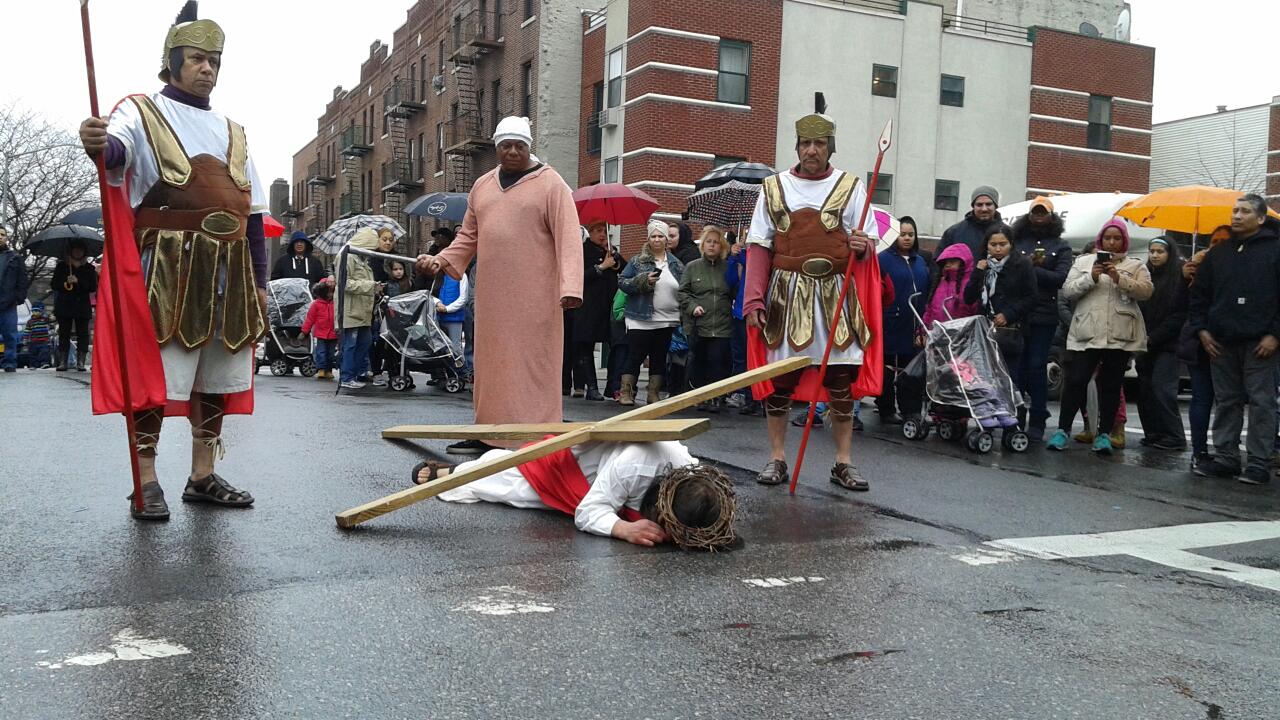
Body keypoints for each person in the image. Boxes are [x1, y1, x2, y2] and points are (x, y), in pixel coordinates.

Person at [78, 3, 268, 519]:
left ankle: (202, 475)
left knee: (217, 375)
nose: (208, 68)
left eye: (215, 61)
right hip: (167, 267)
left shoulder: (235, 129)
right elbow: (116, 155)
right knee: (160, 376)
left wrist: (261, 280)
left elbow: (252, 214)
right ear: (173, 61)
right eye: (198, 59)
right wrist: (100, 145)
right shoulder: (139, 112)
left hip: (230, 269)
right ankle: (146, 480)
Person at [415, 116, 583, 455]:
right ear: (496, 148)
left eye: (519, 145)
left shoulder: (551, 184)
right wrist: (442, 260)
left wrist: (571, 287)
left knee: (535, 365)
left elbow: (568, 238)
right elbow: (468, 236)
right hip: (492, 296)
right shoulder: (483, 186)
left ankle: (538, 436)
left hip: (537, 296)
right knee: (492, 366)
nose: (512, 151)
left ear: (528, 147)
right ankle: (487, 433)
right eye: (505, 145)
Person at [742, 110, 882, 491]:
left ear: (829, 147)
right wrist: (753, 301)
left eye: (819, 143)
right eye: (806, 143)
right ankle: (777, 457)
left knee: (840, 381)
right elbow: (758, 247)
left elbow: (868, 240)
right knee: (780, 382)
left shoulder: (851, 186)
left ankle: (843, 462)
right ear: (797, 146)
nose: (812, 150)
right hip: (786, 296)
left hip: (836, 295)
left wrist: (862, 245)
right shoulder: (774, 187)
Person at [415, 440, 736, 550]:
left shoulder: (690, 470)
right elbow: (588, 512)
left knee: (506, 479)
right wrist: (622, 528)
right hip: (571, 469)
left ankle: (457, 471)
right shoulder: (632, 467)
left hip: (606, 477)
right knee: (506, 485)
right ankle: (451, 474)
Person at [1187, 195, 1280, 484]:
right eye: (1235, 210)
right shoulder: (1218, 254)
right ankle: (1226, 457)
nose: (1237, 216)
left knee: (1262, 401)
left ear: (1261, 218)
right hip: (1220, 342)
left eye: (1245, 211)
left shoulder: (1276, 250)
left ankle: (1258, 462)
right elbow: (1199, 296)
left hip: (1261, 343)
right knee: (1227, 401)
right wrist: (1202, 331)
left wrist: (1275, 335)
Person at [1047, 220, 1153, 454]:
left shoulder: (1135, 264)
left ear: (1124, 241)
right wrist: (1091, 277)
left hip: (1120, 333)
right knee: (1076, 380)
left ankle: (1104, 433)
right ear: (1100, 240)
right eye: (1107, 238)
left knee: (1112, 385)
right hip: (1088, 331)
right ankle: (1062, 430)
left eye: (1117, 238)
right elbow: (1068, 290)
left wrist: (1120, 278)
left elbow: (1146, 291)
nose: (1112, 243)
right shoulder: (1084, 262)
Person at [1011, 196, 1072, 440]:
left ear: (1051, 216)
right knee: (1017, 367)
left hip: (1045, 314)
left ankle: (1038, 417)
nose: (1038, 215)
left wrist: (1032, 269)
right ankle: (1016, 415)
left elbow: (1060, 278)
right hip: (1018, 312)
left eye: (1043, 211)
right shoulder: (1016, 240)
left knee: (1037, 366)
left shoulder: (1061, 246)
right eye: (1035, 211)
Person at [1179, 225, 1232, 471]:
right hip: (1199, 342)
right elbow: (1185, 306)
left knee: (1228, 400)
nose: (1218, 245)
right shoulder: (1197, 269)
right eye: (1214, 241)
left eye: (1224, 240)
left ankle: (1227, 452)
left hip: (1229, 342)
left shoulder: (1240, 268)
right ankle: (1199, 451)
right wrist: (1186, 280)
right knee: (1202, 397)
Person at [618, 219, 685, 406]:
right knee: (635, 354)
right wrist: (642, 280)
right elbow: (622, 282)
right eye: (653, 236)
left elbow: (684, 288)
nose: (657, 239)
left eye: (660, 236)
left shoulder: (677, 264)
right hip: (640, 318)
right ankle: (626, 391)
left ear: (666, 240)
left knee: (659, 356)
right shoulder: (637, 261)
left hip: (668, 319)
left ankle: (653, 393)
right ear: (648, 239)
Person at [964, 224, 1036, 384]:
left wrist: (1008, 314)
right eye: (993, 244)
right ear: (987, 245)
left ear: (1011, 244)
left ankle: (1012, 409)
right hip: (984, 330)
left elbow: (1031, 297)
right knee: (984, 379)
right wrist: (978, 272)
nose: (997, 249)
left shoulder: (1022, 265)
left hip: (1010, 331)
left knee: (1008, 379)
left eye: (1002, 244)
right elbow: (968, 297)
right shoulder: (984, 265)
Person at [876, 216, 930, 423]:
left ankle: (910, 410)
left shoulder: (921, 260)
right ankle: (886, 409)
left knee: (912, 369)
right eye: (902, 234)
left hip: (915, 323)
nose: (907, 238)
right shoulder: (883, 259)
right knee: (888, 367)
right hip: (891, 320)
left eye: (911, 234)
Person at [678, 225, 736, 411]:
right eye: (708, 242)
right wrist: (693, 307)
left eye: (716, 242)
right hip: (699, 324)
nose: (712, 246)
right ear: (703, 245)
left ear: (722, 246)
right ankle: (698, 395)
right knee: (698, 360)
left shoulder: (728, 268)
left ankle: (716, 397)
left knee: (717, 360)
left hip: (722, 324)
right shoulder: (692, 267)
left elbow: (735, 290)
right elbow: (683, 292)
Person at [1137, 237, 1186, 451]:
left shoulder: (1179, 277)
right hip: (1144, 343)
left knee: (1162, 388)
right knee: (1145, 389)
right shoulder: (1145, 275)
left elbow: (1178, 314)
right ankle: (1153, 432)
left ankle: (1174, 435)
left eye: (1160, 251)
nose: (1155, 255)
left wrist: (1153, 337)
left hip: (1168, 344)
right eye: (1152, 251)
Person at [572, 220, 624, 401]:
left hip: (608, 307)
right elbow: (578, 276)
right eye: (598, 231)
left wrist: (615, 259)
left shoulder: (610, 251)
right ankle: (591, 387)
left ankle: (613, 386)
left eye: (605, 231)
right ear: (590, 232)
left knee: (616, 345)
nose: (602, 235)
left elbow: (625, 270)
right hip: (588, 307)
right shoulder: (582, 251)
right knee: (586, 346)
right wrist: (601, 267)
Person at [338, 228, 382, 389]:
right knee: (350, 344)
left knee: (365, 341)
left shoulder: (362, 260)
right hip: (350, 310)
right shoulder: (346, 257)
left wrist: (374, 288)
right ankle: (346, 376)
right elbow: (344, 283)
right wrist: (371, 286)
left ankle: (354, 374)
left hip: (362, 311)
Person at [50, 239, 99, 371]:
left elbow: (92, 287)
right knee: (64, 333)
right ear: (70, 250)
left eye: (80, 250)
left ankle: (80, 361)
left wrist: (78, 281)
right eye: (75, 249)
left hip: (82, 305)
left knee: (83, 333)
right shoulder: (62, 266)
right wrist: (65, 282)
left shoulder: (89, 269)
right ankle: (63, 361)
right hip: (65, 305)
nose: (78, 252)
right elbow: (54, 285)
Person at [922, 243, 979, 329]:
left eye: (952, 262)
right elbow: (930, 310)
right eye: (945, 263)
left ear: (964, 263)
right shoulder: (941, 283)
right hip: (936, 334)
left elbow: (975, 314)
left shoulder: (970, 285)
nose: (948, 265)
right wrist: (923, 330)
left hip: (961, 337)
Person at [937, 185, 1002, 260]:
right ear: (973, 206)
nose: (984, 209)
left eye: (988, 204)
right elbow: (939, 263)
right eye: (979, 205)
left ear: (996, 206)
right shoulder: (953, 233)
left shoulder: (1007, 233)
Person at [0, 228, 29, 373]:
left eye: (2, 235)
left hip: (8, 303)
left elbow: (22, 280)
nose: (0, 237)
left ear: (6, 238)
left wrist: (19, 298)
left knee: (10, 335)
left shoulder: (15, 258)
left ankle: (9, 362)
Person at [435, 257, 470, 368]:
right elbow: (433, 293)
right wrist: (437, 303)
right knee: (441, 347)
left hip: (455, 317)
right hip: (439, 317)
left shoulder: (461, 276)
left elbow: (463, 298)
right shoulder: (439, 277)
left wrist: (447, 309)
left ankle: (461, 372)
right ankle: (444, 373)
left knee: (455, 347)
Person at [302, 279, 337, 380]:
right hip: (321, 333)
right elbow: (310, 318)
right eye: (329, 292)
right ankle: (321, 369)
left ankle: (328, 370)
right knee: (321, 352)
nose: (330, 294)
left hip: (333, 333)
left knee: (330, 354)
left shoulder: (335, 303)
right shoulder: (316, 304)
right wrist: (305, 331)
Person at [22, 304, 53, 369]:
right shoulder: (30, 321)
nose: (35, 313)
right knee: (32, 353)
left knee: (44, 352)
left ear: (41, 311)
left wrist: (51, 331)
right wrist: (25, 338)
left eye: (37, 311)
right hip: (33, 341)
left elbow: (51, 322)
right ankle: (33, 365)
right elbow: (27, 330)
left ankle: (44, 363)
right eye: (33, 311)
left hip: (44, 340)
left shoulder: (45, 319)